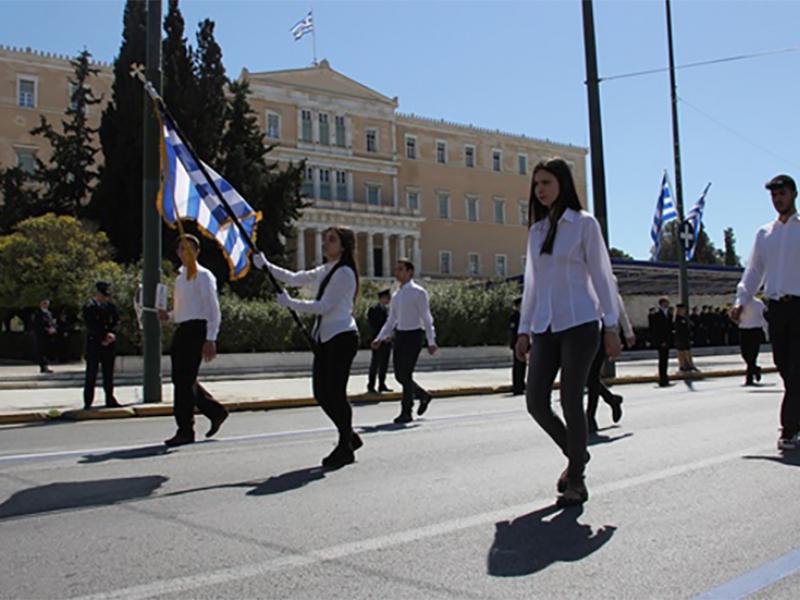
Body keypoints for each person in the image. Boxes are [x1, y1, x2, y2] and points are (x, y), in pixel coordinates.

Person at [514, 158, 622, 507]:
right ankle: (577, 455)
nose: (540, 190)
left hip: (580, 323)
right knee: (535, 402)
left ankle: (576, 478)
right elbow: (532, 284)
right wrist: (523, 330)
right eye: (536, 184)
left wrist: (611, 326)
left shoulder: (584, 224)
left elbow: (603, 277)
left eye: (546, 182)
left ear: (562, 183)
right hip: (544, 326)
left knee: (571, 399)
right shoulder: (536, 231)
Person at [257, 227, 361, 469]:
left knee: (335, 394)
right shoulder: (326, 269)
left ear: (343, 246)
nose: (325, 243)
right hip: (325, 339)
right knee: (321, 394)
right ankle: (349, 435)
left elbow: (324, 306)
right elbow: (295, 278)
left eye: (331, 240)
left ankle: (345, 446)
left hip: (341, 337)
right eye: (325, 239)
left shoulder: (344, 272)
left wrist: (290, 303)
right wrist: (266, 265)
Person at [731, 174, 800, 451]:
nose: (777, 199)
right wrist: (741, 300)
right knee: (784, 366)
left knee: (796, 369)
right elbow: (754, 270)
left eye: (781, 193)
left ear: (793, 194)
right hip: (776, 310)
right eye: (773, 195)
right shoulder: (764, 233)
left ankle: (789, 428)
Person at [158, 235, 228, 447]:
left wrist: (211, 338)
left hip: (198, 329)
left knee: (184, 382)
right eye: (181, 248)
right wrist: (168, 316)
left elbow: (212, 309)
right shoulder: (180, 278)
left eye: (188, 248)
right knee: (181, 379)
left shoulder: (204, 276)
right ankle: (215, 411)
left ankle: (185, 429)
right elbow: (182, 310)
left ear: (197, 252)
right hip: (183, 329)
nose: (184, 252)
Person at [372, 258, 437, 424]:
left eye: (401, 269)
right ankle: (423, 395)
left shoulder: (418, 292)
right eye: (397, 269)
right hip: (400, 335)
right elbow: (391, 320)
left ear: (410, 272)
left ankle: (406, 411)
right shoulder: (396, 295)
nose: (397, 272)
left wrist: (431, 340)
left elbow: (427, 317)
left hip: (415, 335)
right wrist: (379, 338)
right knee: (400, 375)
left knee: (405, 373)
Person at [586, 292, 634, 434]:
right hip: (581, 331)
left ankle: (590, 416)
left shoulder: (606, 279)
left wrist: (628, 333)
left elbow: (620, 309)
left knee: (592, 375)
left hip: (602, 332)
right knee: (586, 376)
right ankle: (612, 400)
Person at [82, 281, 121, 409]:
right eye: (104, 295)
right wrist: (103, 336)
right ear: (98, 294)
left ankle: (110, 398)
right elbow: (91, 325)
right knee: (91, 374)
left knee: (108, 373)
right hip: (95, 344)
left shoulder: (110, 307)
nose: (106, 298)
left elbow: (117, 321)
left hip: (109, 344)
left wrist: (112, 334)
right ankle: (88, 401)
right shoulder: (89, 307)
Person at [367, 289, 393, 394]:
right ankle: (371, 385)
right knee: (375, 363)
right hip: (377, 340)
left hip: (387, 341)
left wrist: (390, 336)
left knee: (384, 364)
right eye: (387, 298)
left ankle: (382, 384)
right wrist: (380, 337)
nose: (388, 300)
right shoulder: (374, 309)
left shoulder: (389, 310)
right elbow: (373, 326)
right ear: (382, 298)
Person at [738, 297, 766, 386]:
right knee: (744, 354)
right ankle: (755, 369)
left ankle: (749, 378)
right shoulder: (740, 302)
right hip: (744, 329)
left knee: (753, 355)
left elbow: (763, 316)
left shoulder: (759, 303)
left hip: (755, 329)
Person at [650, 296, 673, 387]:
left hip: (667, 340)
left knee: (665, 360)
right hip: (661, 341)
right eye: (666, 302)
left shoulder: (669, 314)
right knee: (662, 360)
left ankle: (665, 377)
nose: (668, 304)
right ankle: (662, 379)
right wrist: (661, 341)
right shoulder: (656, 314)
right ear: (662, 303)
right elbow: (656, 330)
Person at [31, 298, 56, 373]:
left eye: (47, 303)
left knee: (47, 351)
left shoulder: (49, 313)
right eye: (44, 303)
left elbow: (52, 323)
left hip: (49, 336)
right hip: (41, 336)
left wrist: (53, 328)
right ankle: (43, 366)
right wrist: (46, 330)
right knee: (41, 351)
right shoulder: (37, 314)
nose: (46, 305)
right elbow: (37, 325)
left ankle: (46, 365)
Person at [674, 303, 699, 373]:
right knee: (681, 352)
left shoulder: (684, 318)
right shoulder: (677, 318)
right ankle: (682, 366)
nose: (683, 310)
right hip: (680, 337)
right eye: (682, 309)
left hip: (685, 337)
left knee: (688, 351)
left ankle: (691, 365)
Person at [509, 297, 526, 395]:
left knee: (522, 366)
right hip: (517, 343)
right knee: (518, 366)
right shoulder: (515, 316)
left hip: (522, 344)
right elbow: (513, 332)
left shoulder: (522, 316)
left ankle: (521, 384)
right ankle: (517, 387)